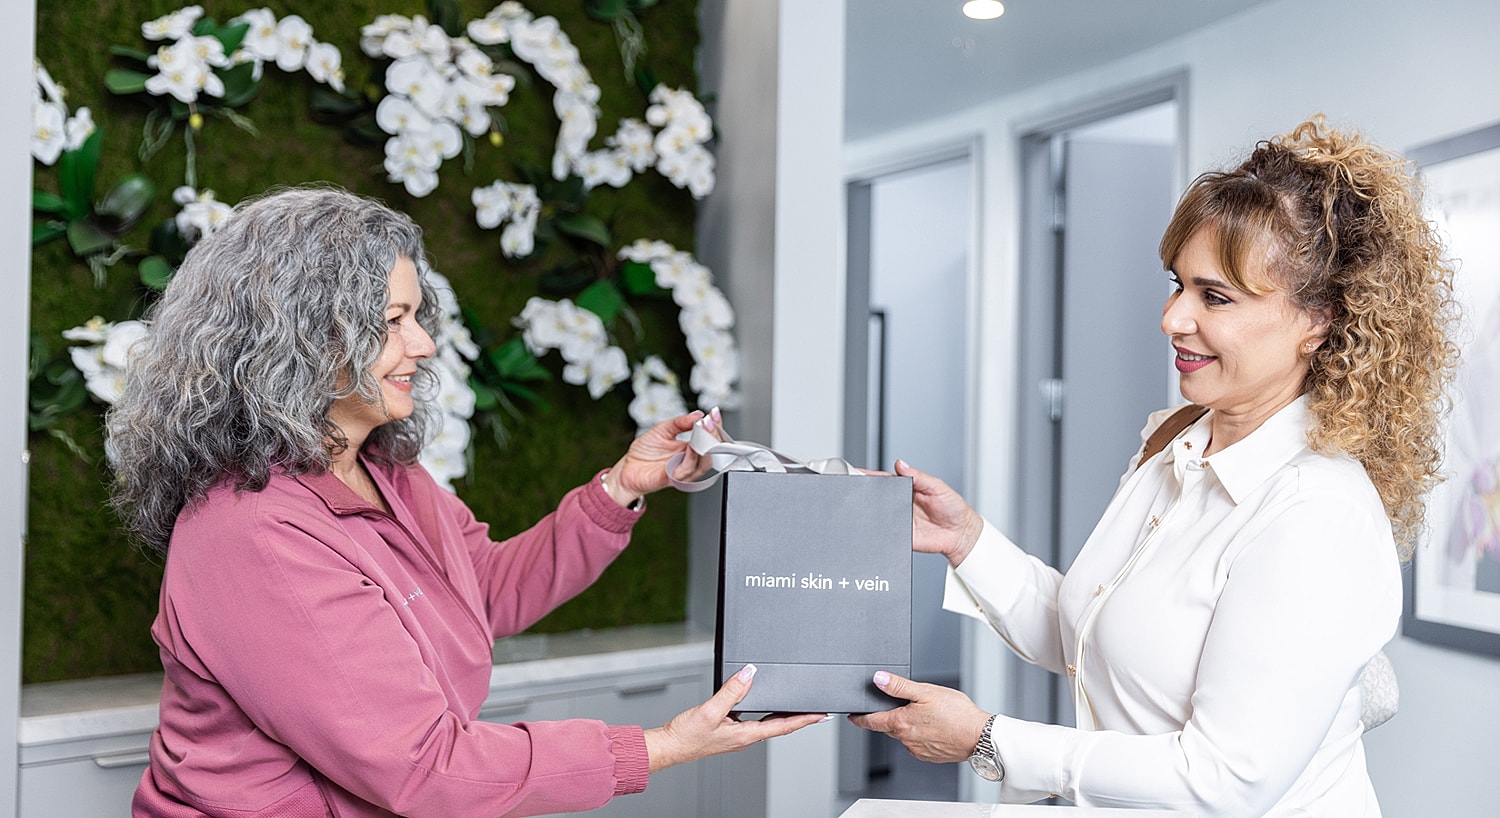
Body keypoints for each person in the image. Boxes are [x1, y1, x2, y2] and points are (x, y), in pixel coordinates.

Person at [107, 185, 824, 818]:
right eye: (391, 320)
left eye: (417, 316)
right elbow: (424, 767)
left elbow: (483, 591)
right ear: (297, 340)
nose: (421, 343)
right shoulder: (253, 533)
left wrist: (621, 489)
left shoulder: (387, 474)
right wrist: (662, 746)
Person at [850, 116, 1459, 815]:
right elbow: (1095, 636)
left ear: (1317, 320)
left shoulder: (1315, 515)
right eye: (1177, 285)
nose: (1173, 317)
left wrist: (987, 741)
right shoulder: (1175, 441)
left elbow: (1222, 780)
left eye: (1215, 297)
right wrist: (967, 540)